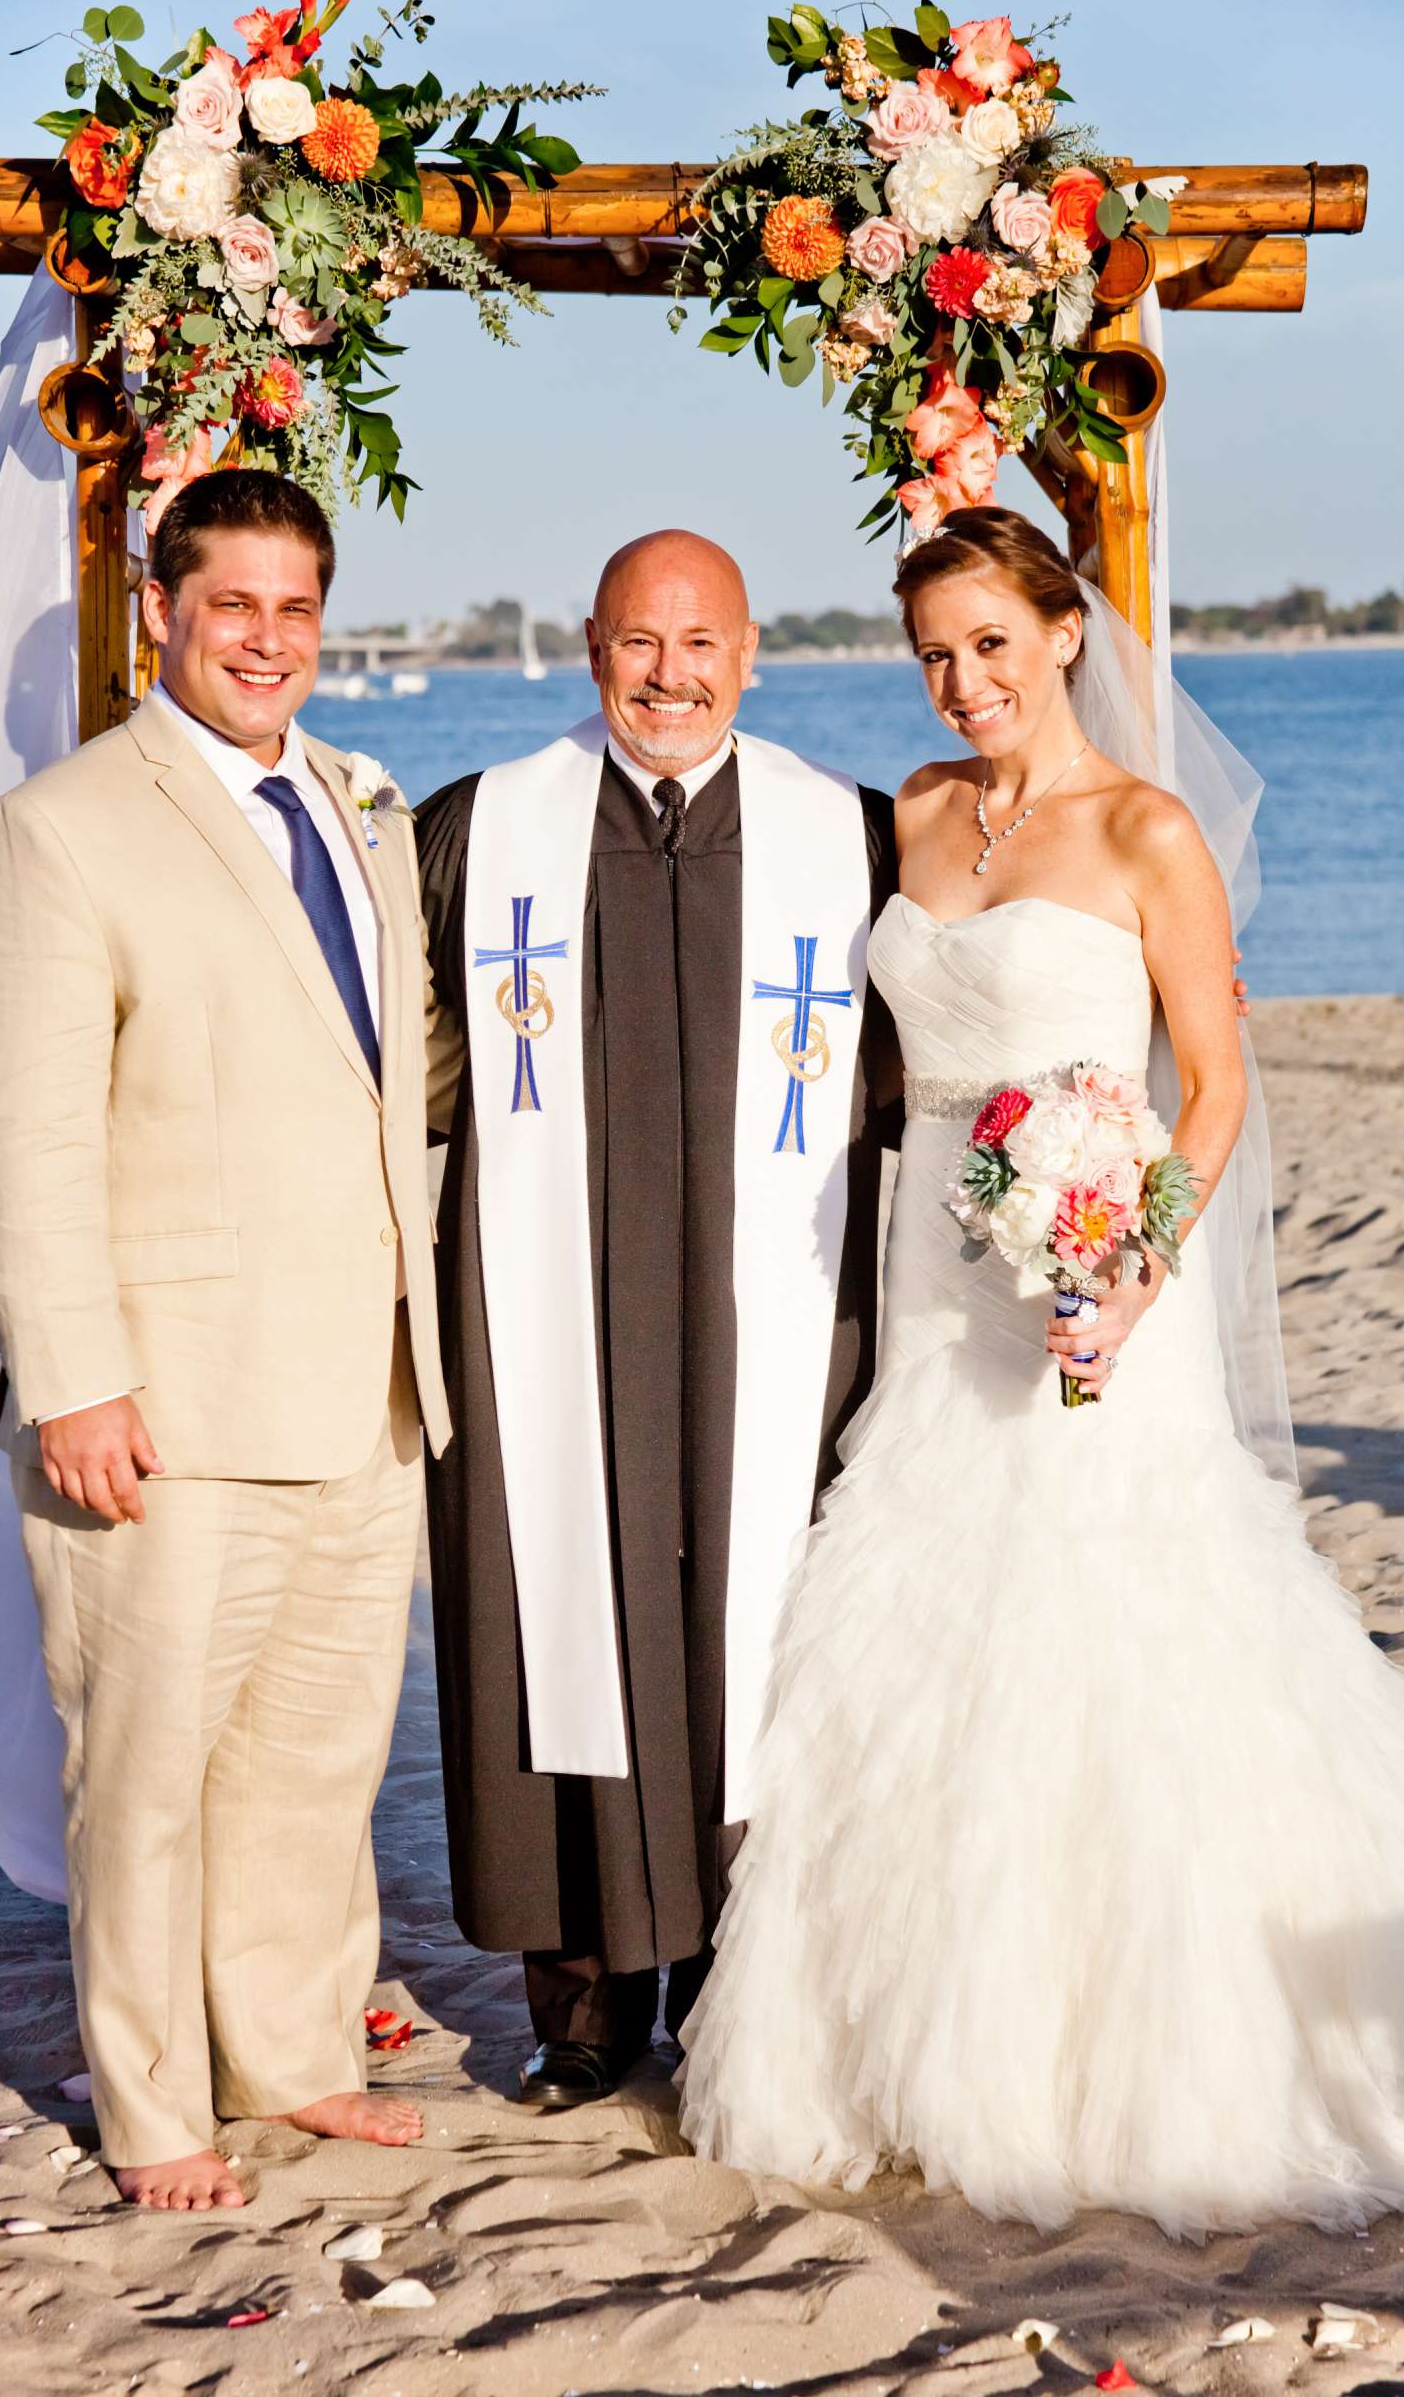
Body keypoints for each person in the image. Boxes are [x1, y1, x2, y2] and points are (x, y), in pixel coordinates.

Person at [678, 506, 1404, 2239]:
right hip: (929, 1267)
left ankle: (1133, 2055)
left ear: (1062, 633)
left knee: (1111, 1625)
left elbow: (1210, 1086)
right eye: (933, 653)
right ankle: (900, 2040)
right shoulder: (912, 815)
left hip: (1101, 1278)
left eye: (990, 643)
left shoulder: (1148, 830)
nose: (963, 682)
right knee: (917, 1609)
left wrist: (1123, 1274)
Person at [0, 470, 456, 2211]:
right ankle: (156, 2100)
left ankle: (297, 2053)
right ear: (162, 608)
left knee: (319, 1761)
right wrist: (75, 1373)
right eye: (230, 602)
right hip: (158, 1394)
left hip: (364, 1380)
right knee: (148, 1770)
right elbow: (20, 1132)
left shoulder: (360, 805)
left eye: (294, 605)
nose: (266, 636)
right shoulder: (65, 827)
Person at [415, 531, 902, 2105]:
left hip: (782, 1318)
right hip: (543, 1314)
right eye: (641, 642)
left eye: (703, 645)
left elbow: (939, 1073)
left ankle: (746, 1991)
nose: (671, 674)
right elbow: (378, 1071)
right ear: (590, 643)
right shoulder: (478, 835)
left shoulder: (859, 843)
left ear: (751, 654)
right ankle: (587, 2010)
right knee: (557, 1603)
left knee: (759, 1629)